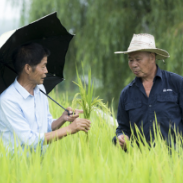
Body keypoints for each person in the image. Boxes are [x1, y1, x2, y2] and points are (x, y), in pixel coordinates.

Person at [0, 43, 91, 152]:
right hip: (18, 166)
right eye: (43, 66)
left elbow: (47, 127)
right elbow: (30, 140)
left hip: (42, 164)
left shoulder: (40, 89)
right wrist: (69, 129)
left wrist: (62, 119)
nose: (46, 71)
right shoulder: (8, 100)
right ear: (28, 68)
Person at [114, 33, 183, 150]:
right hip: (140, 163)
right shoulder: (127, 93)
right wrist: (121, 137)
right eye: (130, 60)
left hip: (175, 160)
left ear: (152, 57)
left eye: (138, 59)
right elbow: (122, 128)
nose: (134, 64)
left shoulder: (176, 83)